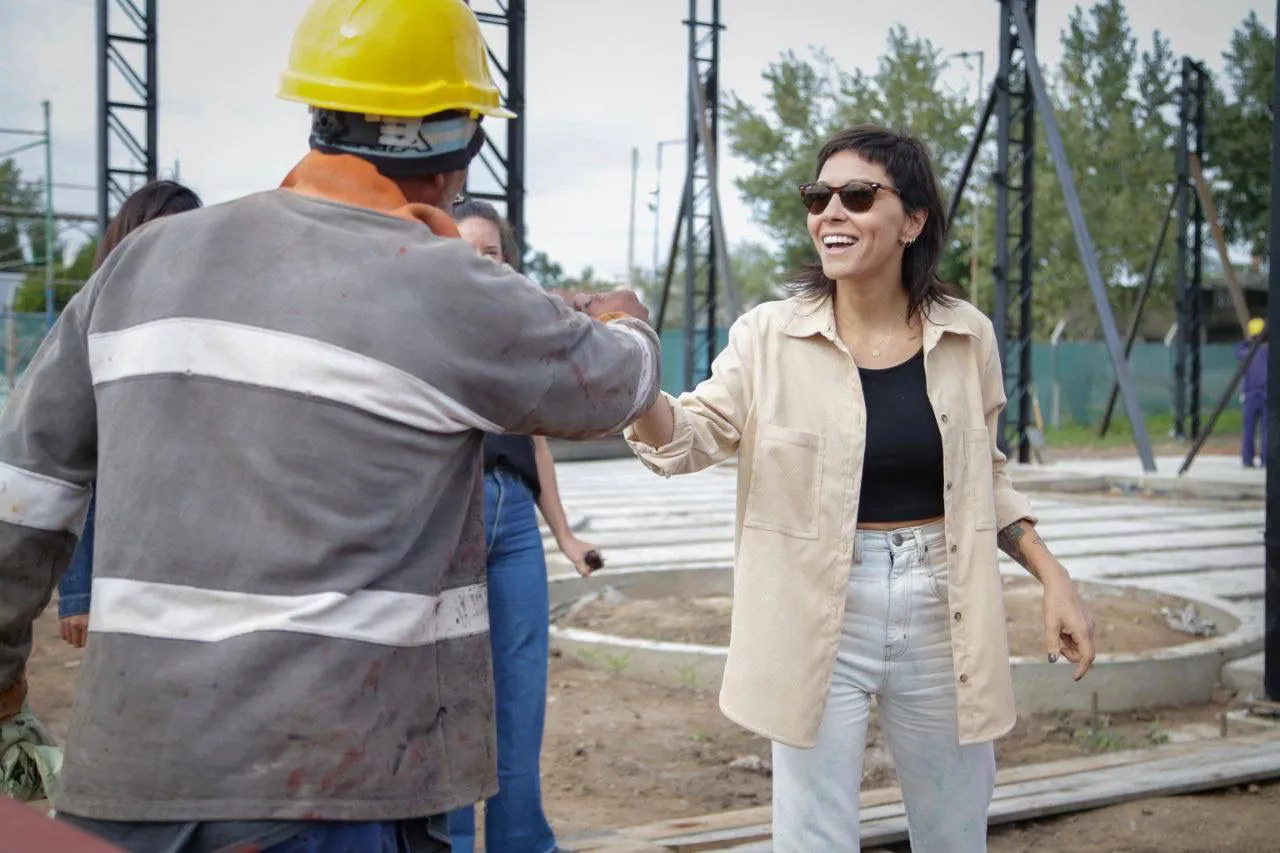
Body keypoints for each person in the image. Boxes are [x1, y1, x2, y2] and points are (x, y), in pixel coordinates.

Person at [0, 1, 662, 851]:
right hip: (326, 788)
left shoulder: (142, 262)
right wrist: (627, 317)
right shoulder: (443, 285)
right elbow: (617, 383)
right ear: (458, 143)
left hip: (129, 777)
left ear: (320, 113)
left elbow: (20, 499)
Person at [623, 125, 1096, 852]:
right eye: (819, 197)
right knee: (813, 835)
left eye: (857, 195)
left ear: (913, 221)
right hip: (815, 605)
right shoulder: (768, 337)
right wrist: (631, 374)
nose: (830, 213)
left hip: (944, 602)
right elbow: (689, 437)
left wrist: (1051, 572)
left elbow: (985, 474)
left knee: (953, 828)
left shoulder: (967, 337)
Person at [447, 198, 596, 853]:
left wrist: (564, 535)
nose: (481, 263)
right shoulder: (415, 325)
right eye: (464, 250)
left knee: (522, 686)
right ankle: (444, 840)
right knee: (449, 691)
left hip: (512, 527)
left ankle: (522, 838)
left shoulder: (516, 339)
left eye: (492, 252)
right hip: (446, 520)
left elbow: (535, 440)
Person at [56, 180, 204, 650]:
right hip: (126, 572)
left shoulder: (208, 326)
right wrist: (78, 592)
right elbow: (76, 467)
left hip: (202, 568)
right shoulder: (98, 328)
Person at [1238, 316, 1267, 468]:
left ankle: (1247, 459)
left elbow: (1238, 350)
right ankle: (1266, 460)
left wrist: (1248, 340)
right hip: (1266, 395)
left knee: (1249, 429)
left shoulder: (1245, 351)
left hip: (1250, 395)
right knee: (1266, 430)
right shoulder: (1268, 351)